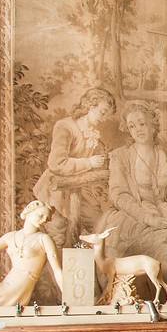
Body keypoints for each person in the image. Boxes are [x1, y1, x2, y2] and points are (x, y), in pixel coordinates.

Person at [101, 100, 167, 310]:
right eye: (132, 126)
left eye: (142, 123)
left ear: (152, 124)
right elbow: (119, 195)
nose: (137, 129)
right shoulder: (120, 156)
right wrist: (147, 217)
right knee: (165, 251)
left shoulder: (159, 154)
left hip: (161, 213)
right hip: (132, 217)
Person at [32, 87, 115, 246]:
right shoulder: (65, 126)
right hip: (56, 190)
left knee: (99, 223)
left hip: (78, 190)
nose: (104, 119)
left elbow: (93, 164)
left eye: (107, 115)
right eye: (103, 112)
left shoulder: (92, 132)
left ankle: (92, 259)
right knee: (59, 232)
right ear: (90, 106)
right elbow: (56, 164)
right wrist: (89, 162)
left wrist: (105, 160)